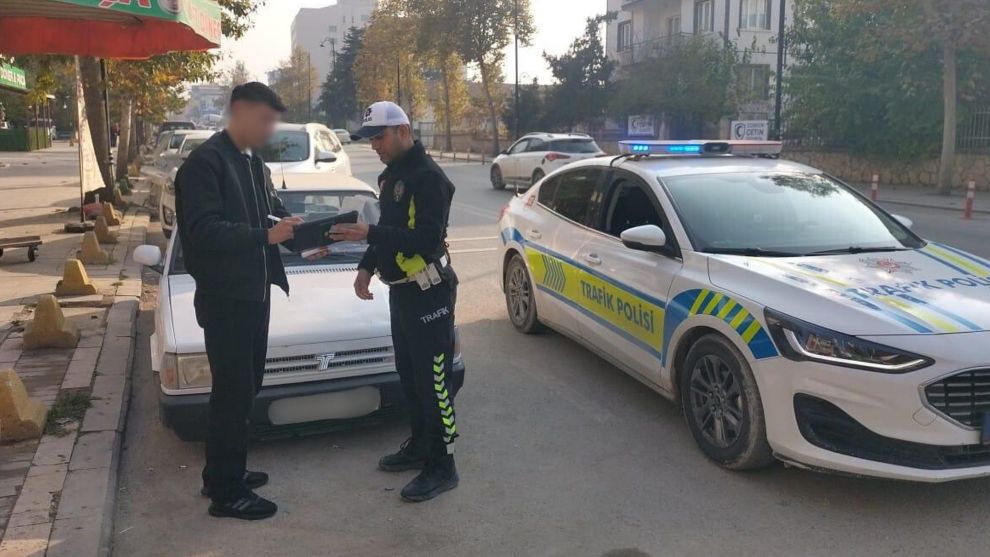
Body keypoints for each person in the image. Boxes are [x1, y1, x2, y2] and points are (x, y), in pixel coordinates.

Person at [174, 82, 303, 520]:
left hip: (255, 293)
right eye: (265, 120)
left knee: (245, 390)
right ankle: (227, 494)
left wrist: (300, 232)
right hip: (226, 298)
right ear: (241, 111)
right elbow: (203, 231)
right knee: (231, 395)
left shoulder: (250, 162)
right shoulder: (205, 164)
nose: (269, 130)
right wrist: (264, 235)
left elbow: (269, 210)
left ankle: (223, 473)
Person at [332, 101, 460, 502]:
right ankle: (421, 445)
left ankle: (443, 466)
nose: (375, 146)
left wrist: (369, 236)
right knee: (410, 376)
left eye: (380, 137)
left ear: (404, 130)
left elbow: (424, 238)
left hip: (430, 293)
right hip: (402, 291)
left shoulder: (428, 178)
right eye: (370, 139)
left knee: (434, 381)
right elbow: (386, 229)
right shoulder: (391, 178)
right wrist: (367, 267)